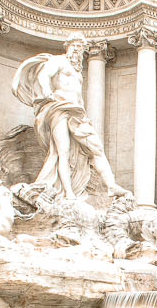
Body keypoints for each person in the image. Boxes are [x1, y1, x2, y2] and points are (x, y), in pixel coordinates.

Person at [11, 34, 128, 202]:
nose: (77, 50)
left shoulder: (78, 73)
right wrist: (46, 92)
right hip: (58, 107)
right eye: (74, 46)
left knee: (96, 148)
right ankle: (68, 193)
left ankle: (111, 185)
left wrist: (85, 116)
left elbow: (79, 97)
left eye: (80, 48)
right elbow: (43, 75)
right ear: (68, 46)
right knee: (62, 152)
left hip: (76, 112)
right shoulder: (58, 61)